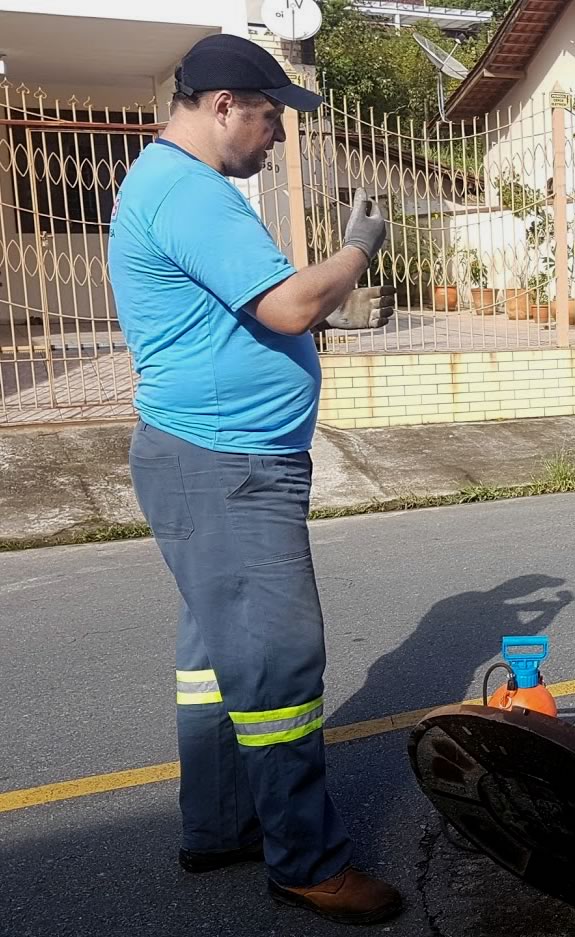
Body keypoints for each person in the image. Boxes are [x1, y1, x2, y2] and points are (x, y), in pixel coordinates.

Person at [108, 34, 401, 925]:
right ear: (225, 105)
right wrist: (357, 252)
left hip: (208, 460)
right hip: (225, 465)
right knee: (276, 665)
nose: (277, 134)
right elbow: (289, 305)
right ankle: (307, 861)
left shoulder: (175, 186)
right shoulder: (189, 193)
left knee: (215, 657)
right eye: (272, 114)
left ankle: (223, 823)